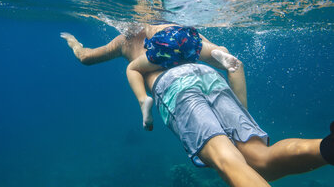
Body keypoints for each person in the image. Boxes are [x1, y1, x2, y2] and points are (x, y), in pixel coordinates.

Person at [60, 29, 332, 187]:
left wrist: (74, 43)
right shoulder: (177, 27)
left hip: (176, 89)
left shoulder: (127, 38)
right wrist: (243, 116)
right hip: (210, 76)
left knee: (227, 161)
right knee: (260, 160)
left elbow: (85, 58)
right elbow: (233, 64)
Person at [126, 23, 241, 131]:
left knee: (132, 68)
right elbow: (200, 39)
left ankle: (143, 100)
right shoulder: (176, 21)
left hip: (165, 44)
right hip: (185, 37)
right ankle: (220, 52)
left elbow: (131, 30)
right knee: (212, 49)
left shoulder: (147, 22)